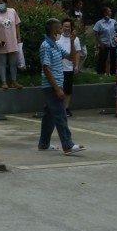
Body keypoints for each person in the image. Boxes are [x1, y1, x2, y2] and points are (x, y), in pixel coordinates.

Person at [37, 18, 85, 155]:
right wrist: (57, 89)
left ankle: (43, 144)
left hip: (57, 84)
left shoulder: (55, 45)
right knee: (60, 115)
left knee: (49, 116)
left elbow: (71, 57)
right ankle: (68, 145)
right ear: (53, 30)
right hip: (52, 86)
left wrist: (72, 41)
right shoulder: (46, 46)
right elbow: (46, 68)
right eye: (59, 28)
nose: (61, 30)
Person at [0, 0, 23, 89]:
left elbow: (17, 25)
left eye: (1, 3)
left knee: (13, 63)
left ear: (6, 3)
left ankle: (14, 81)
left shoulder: (12, 11)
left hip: (12, 41)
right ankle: (4, 82)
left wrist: (18, 37)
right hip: (1, 43)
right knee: (2, 63)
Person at [57, 19, 81, 117]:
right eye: (65, 26)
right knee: (58, 88)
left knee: (68, 90)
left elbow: (77, 53)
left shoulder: (75, 39)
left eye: (69, 27)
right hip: (58, 68)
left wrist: (77, 66)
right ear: (61, 27)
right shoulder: (57, 38)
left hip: (68, 68)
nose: (67, 28)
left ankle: (66, 108)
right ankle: (59, 108)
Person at [93, 7, 117, 75]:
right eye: (109, 11)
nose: (111, 13)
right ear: (105, 13)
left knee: (113, 59)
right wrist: (101, 43)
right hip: (104, 43)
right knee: (102, 59)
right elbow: (96, 33)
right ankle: (100, 73)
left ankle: (113, 73)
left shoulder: (113, 21)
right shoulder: (99, 23)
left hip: (113, 43)